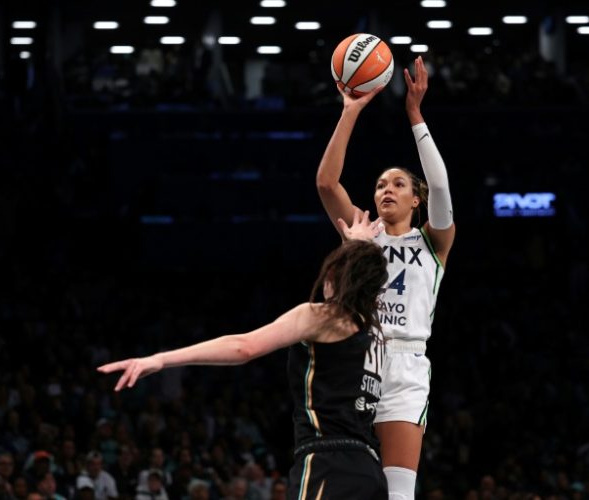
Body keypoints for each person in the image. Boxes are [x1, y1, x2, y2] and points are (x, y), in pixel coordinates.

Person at [98, 213, 389, 500]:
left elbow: (243, 347)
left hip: (328, 466)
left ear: (338, 276)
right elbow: (365, 274)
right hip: (371, 472)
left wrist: (161, 359)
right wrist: (357, 245)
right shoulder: (376, 334)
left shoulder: (321, 317)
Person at [316, 55, 455, 500]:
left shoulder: (433, 243)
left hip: (407, 366)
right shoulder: (360, 234)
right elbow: (325, 183)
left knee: (398, 492)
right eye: (380, 185)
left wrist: (415, 116)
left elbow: (442, 187)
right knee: (346, 486)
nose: (386, 190)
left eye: (397, 184)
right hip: (359, 358)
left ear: (417, 199)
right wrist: (349, 111)